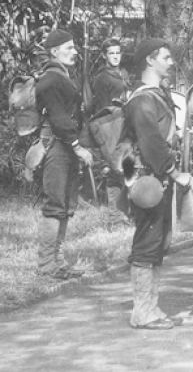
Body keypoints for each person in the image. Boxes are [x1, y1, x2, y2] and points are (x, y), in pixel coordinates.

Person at [122, 39, 193, 329]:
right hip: (148, 179)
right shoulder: (143, 99)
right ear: (150, 61)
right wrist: (175, 172)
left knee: (157, 243)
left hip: (156, 177)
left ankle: (151, 307)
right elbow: (151, 142)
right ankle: (142, 311)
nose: (170, 62)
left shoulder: (157, 95)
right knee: (147, 243)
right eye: (165, 57)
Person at [34, 29, 93, 280]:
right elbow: (59, 118)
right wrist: (78, 146)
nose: (75, 52)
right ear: (54, 52)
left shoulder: (63, 76)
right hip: (57, 146)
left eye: (74, 47)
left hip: (64, 146)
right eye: (68, 48)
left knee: (65, 206)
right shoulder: (50, 78)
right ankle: (47, 264)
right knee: (55, 205)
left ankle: (58, 261)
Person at [91, 37, 131, 214]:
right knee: (114, 168)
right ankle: (115, 212)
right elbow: (102, 108)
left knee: (127, 164)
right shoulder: (102, 78)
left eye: (118, 52)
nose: (115, 56)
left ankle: (127, 208)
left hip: (125, 123)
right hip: (110, 124)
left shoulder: (123, 73)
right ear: (104, 55)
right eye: (111, 53)